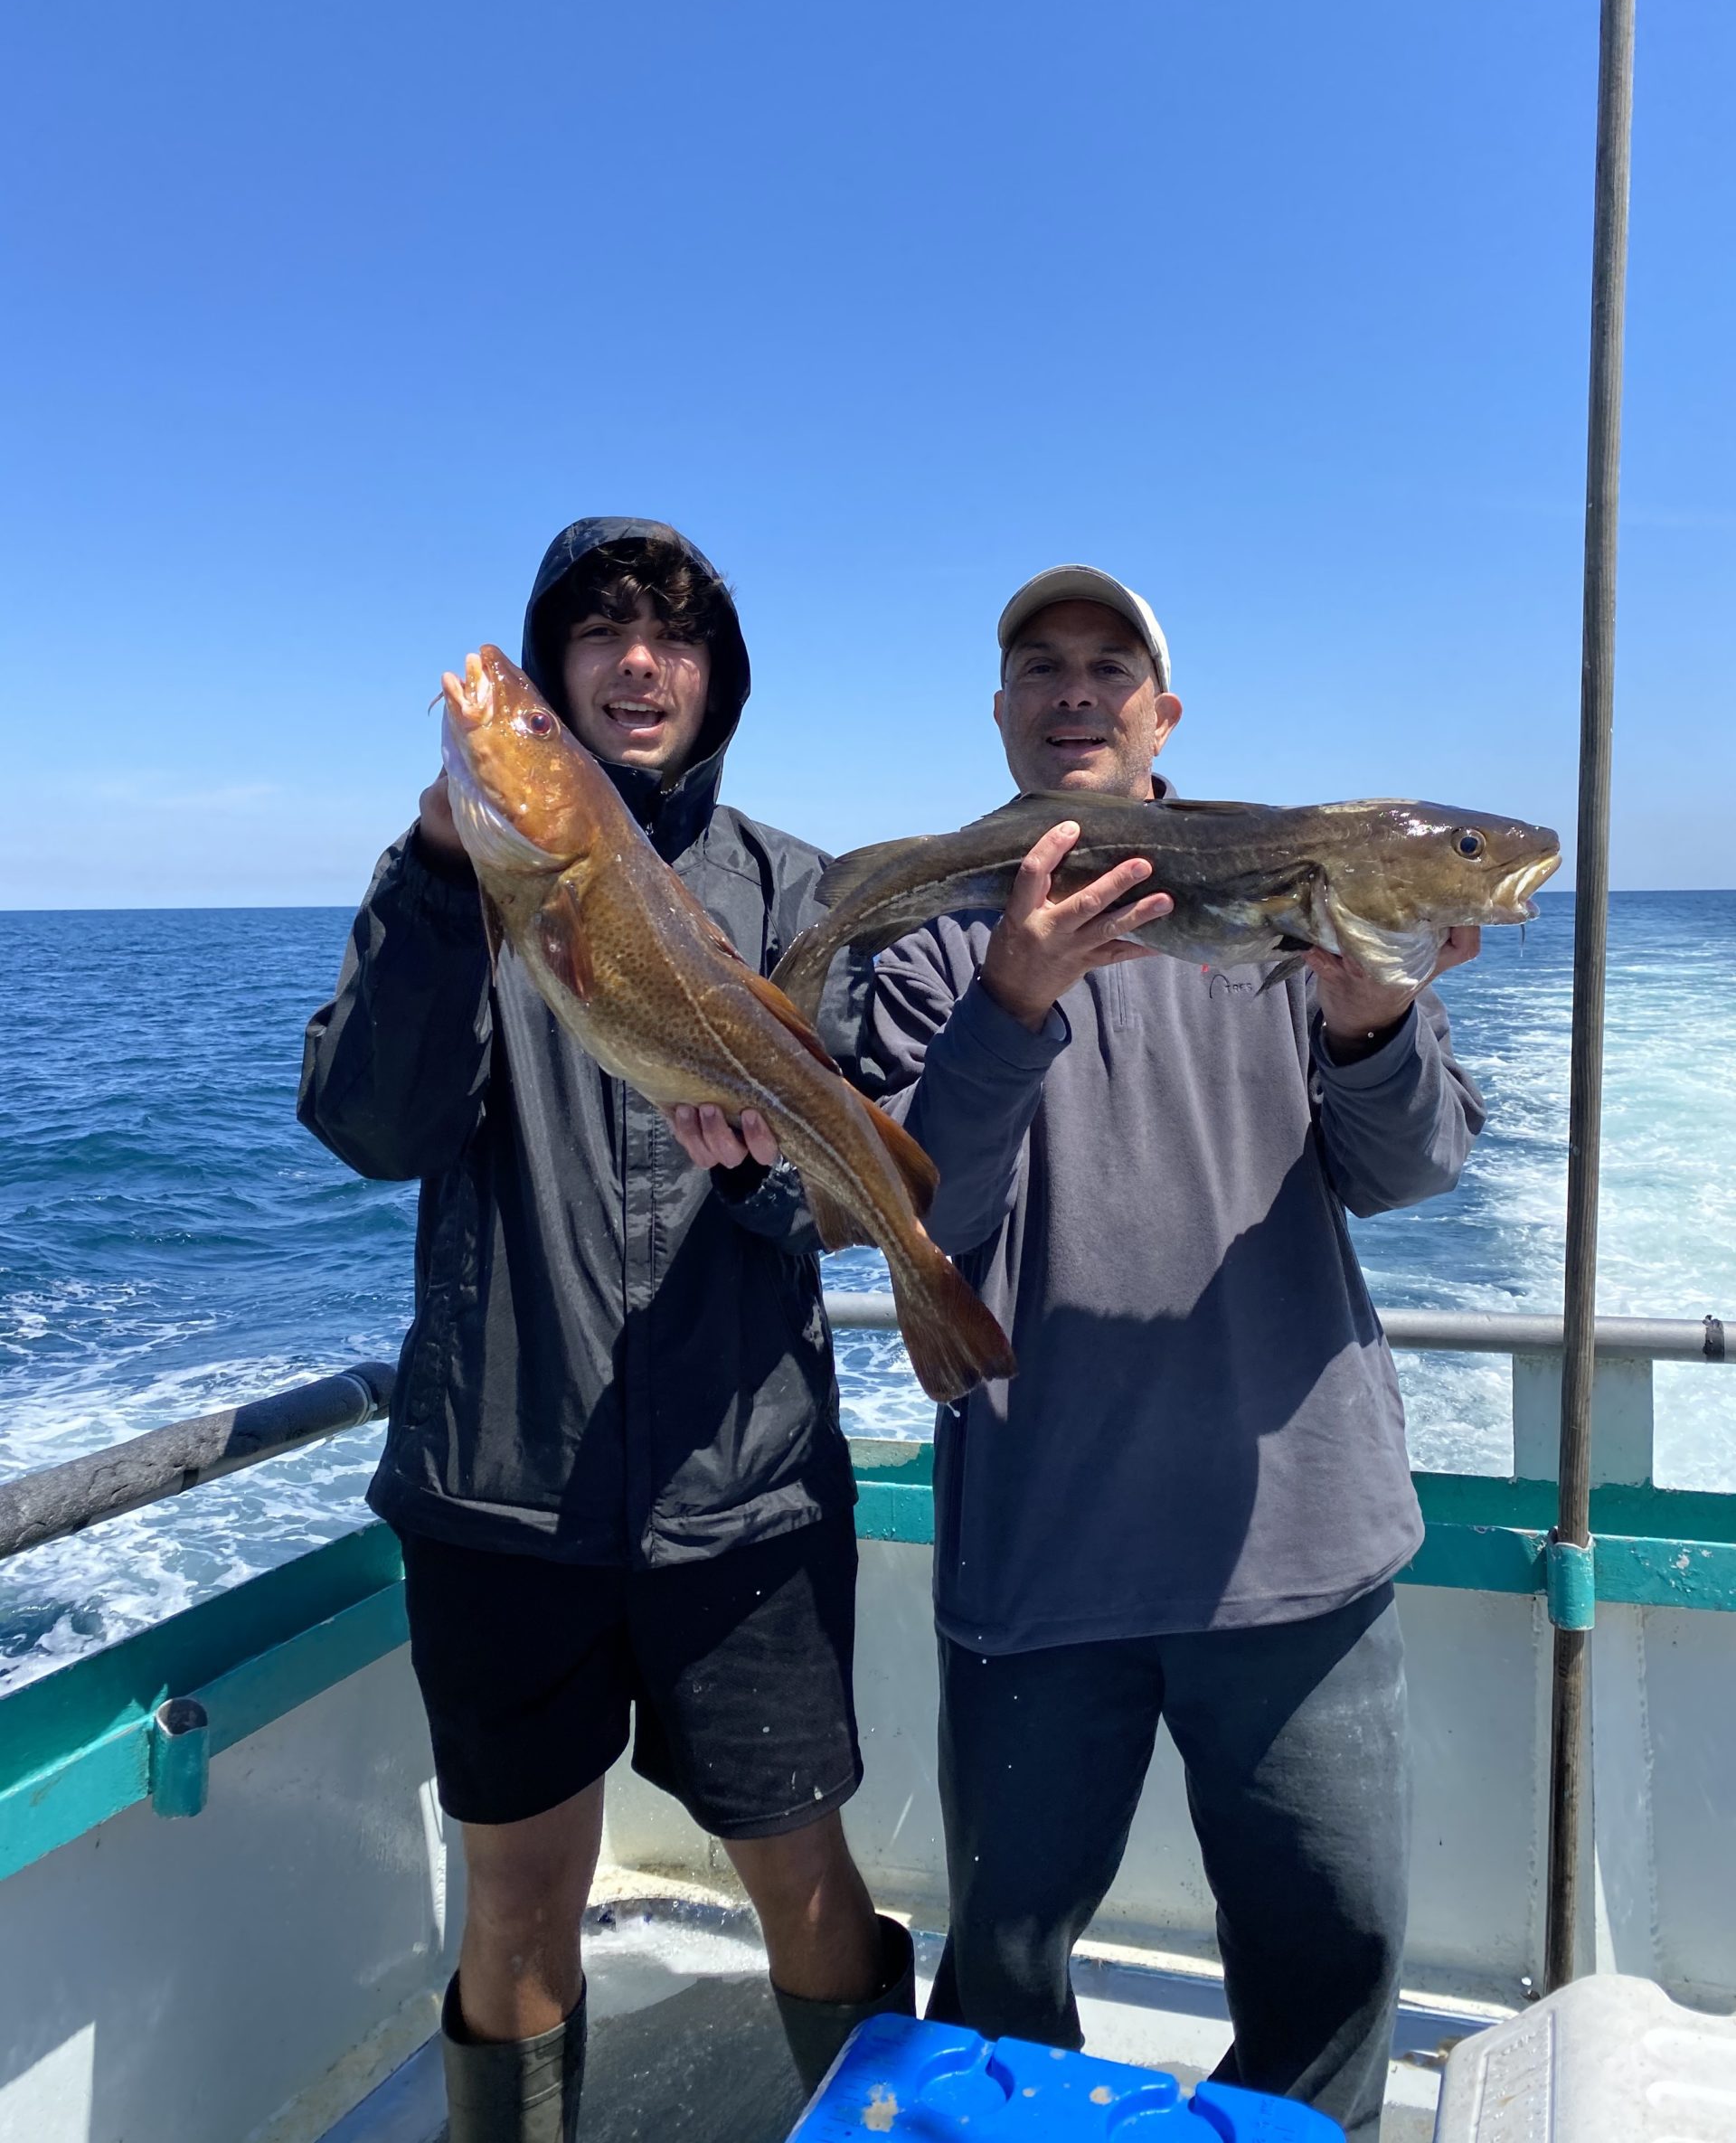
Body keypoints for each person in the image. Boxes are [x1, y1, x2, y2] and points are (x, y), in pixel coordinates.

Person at [298, 518, 912, 2143]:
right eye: (597, 637)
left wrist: (775, 1175)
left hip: (746, 1490)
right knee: (516, 1906)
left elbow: (833, 1199)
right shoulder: (454, 885)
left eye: (677, 637)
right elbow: (371, 1123)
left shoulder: (799, 890)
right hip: (505, 1492)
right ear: (558, 690)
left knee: (806, 1874)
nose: (639, 662)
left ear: (718, 682)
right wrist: (443, 876)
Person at [865, 564, 1486, 2142]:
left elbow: (1413, 1170)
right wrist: (1011, 1003)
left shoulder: (1302, 883)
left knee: (1333, 1967)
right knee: (1005, 1981)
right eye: (1040, 667)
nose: (1075, 690)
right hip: (1041, 1556)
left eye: (1109, 668)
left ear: (1164, 714)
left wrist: (1367, 1019)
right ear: (1001, 711)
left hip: (1297, 1546)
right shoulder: (938, 928)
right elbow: (909, 1212)